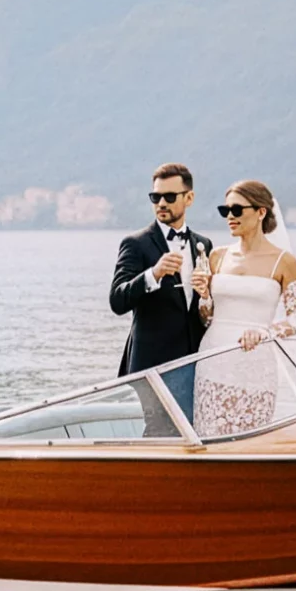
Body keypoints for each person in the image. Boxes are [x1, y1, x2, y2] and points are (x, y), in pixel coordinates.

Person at [191, 180, 296, 437]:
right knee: (209, 436)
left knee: (252, 439)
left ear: (261, 212)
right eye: (225, 210)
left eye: (237, 210)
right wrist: (204, 295)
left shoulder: (284, 262)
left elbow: (295, 321)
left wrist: (264, 332)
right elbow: (206, 317)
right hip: (213, 359)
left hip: (256, 364)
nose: (230, 216)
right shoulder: (217, 256)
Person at [109, 162, 214, 418]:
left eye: (169, 196)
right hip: (152, 366)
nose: (161, 203)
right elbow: (117, 300)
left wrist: (206, 297)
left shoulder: (203, 244)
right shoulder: (136, 244)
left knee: (194, 429)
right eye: (155, 197)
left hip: (194, 363)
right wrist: (152, 274)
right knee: (158, 433)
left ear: (189, 198)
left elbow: (204, 309)